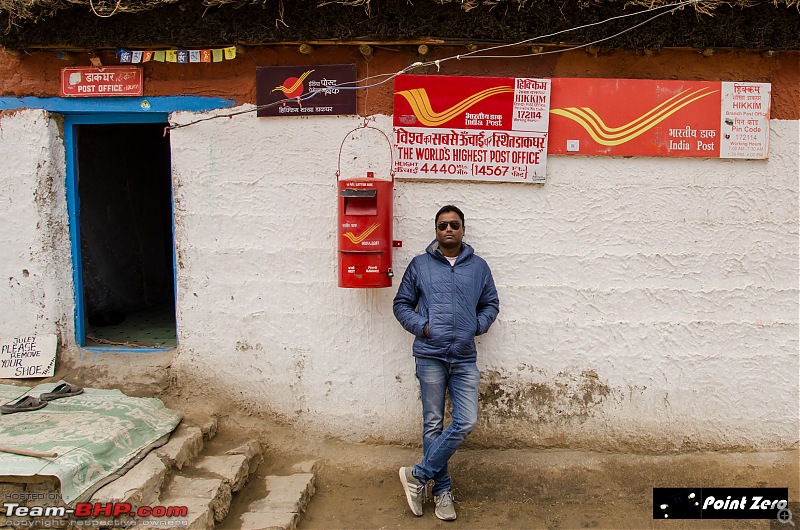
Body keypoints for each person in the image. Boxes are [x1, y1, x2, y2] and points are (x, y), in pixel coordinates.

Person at [392, 204, 500, 521]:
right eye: (442, 225)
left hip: (464, 356)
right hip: (430, 355)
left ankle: (417, 475)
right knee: (433, 424)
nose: (448, 229)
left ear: (463, 229)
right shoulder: (420, 265)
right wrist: (424, 328)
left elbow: (491, 304)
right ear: (436, 231)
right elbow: (401, 305)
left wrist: (476, 326)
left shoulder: (479, 267)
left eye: (454, 224)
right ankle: (441, 492)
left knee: (465, 421)